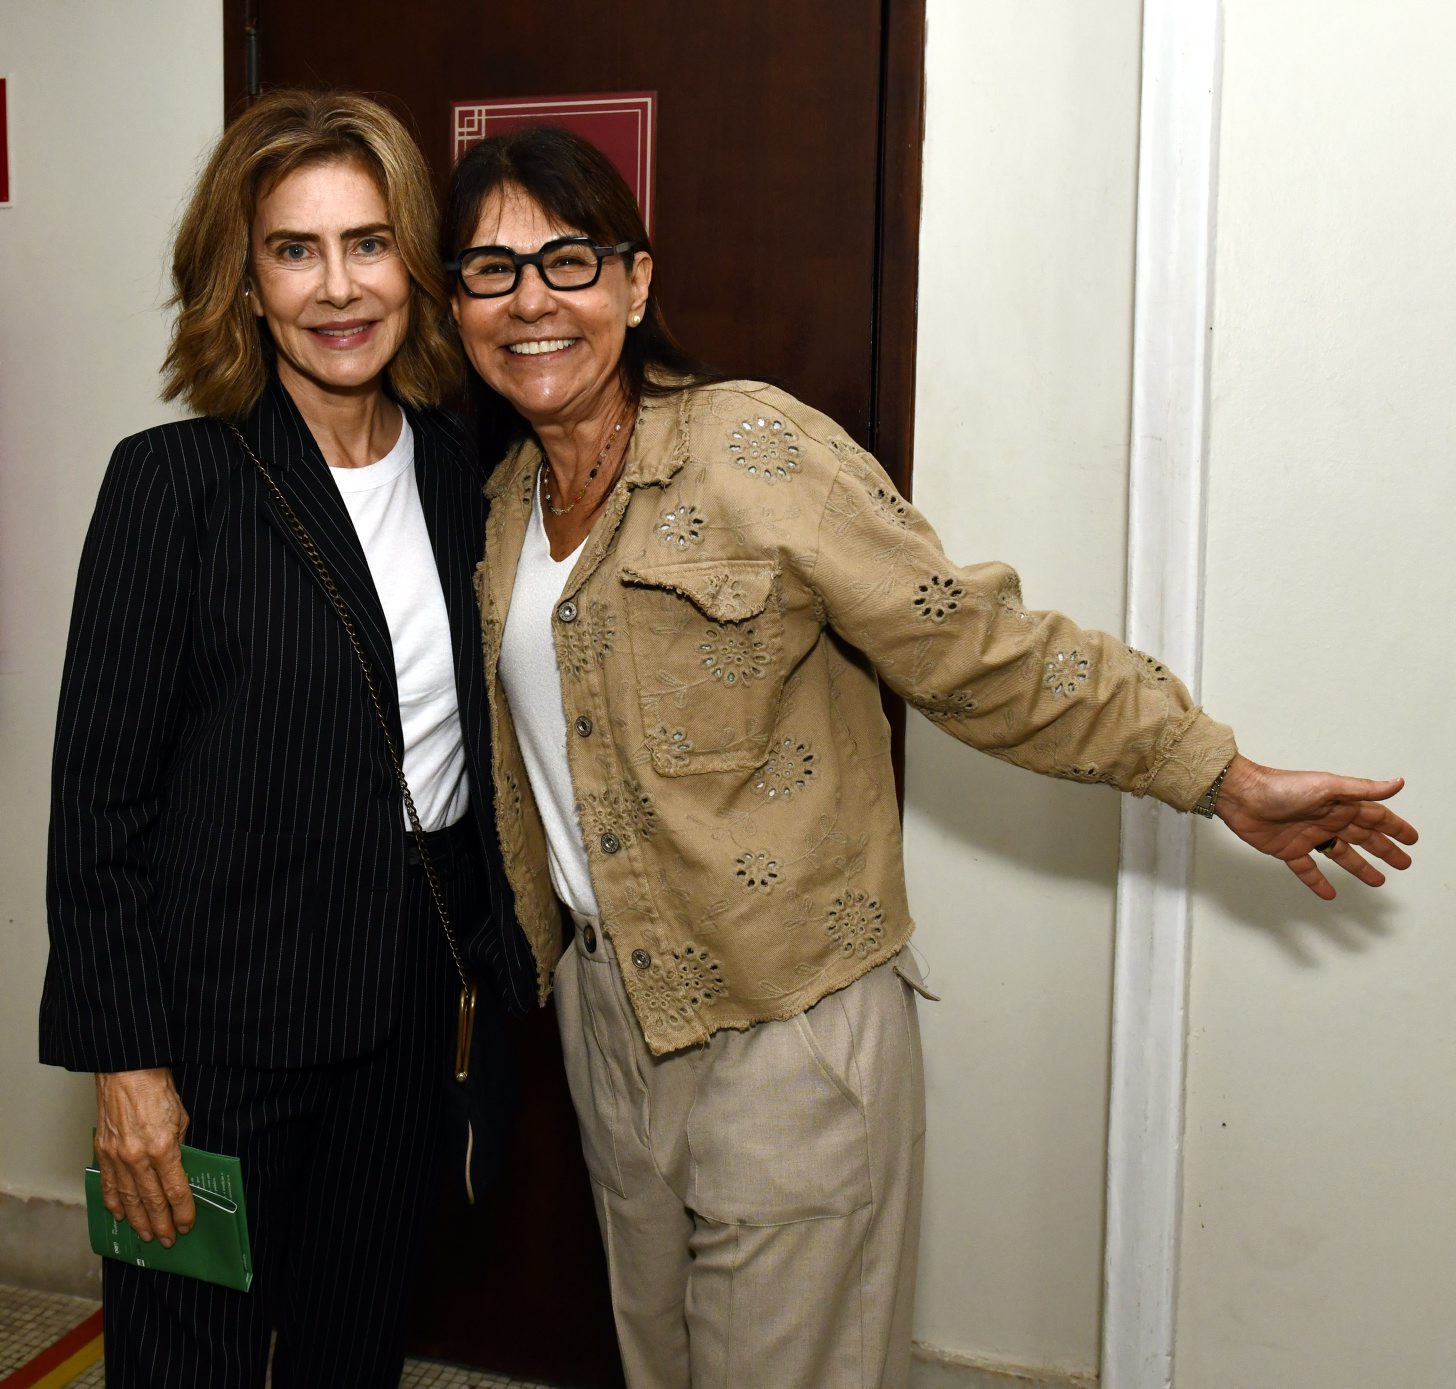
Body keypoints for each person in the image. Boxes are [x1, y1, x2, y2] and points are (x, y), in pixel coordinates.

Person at [440, 126, 1418, 1389]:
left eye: (567, 261)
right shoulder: (500, 506)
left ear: (633, 284)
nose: (530, 301)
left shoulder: (755, 451)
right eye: (490, 270)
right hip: (609, 1016)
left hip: (788, 1022)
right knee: (660, 1363)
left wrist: (1216, 774)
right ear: (456, 307)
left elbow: (975, 648)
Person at [40, 90, 533, 1389]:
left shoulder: (459, 469)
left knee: (351, 1355)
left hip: (404, 1017)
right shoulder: (172, 485)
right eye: (294, 250)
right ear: (246, 283)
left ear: (413, 265)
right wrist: (127, 1069)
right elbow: (97, 811)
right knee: (182, 1361)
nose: (338, 286)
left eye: (368, 243)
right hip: (215, 1039)